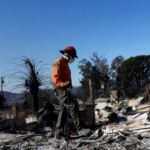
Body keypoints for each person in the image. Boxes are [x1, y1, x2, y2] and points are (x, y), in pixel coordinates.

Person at [51, 46, 91, 139]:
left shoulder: (66, 63)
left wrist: (68, 84)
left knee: (64, 109)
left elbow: (66, 77)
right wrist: (62, 84)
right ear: (68, 55)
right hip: (59, 87)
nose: (73, 59)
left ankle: (58, 133)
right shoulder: (59, 62)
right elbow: (55, 77)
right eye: (73, 57)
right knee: (72, 104)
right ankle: (80, 129)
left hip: (64, 88)